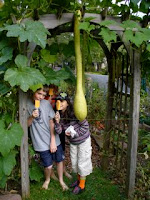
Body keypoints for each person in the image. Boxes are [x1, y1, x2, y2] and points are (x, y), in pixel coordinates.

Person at [27, 87, 68, 191]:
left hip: (53, 138)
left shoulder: (45, 103)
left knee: (59, 161)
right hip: (39, 141)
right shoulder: (26, 105)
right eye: (39, 93)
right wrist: (31, 117)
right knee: (48, 166)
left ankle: (61, 180)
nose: (41, 97)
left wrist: (53, 141)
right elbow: (26, 125)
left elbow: (51, 122)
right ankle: (47, 180)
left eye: (43, 94)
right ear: (33, 91)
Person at [54, 92, 93, 194]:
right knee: (75, 162)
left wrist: (74, 134)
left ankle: (82, 186)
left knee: (82, 162)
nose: (59, 103)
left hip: (83, 141)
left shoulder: (76, 112)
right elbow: (59, 131)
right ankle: (79, 180)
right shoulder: (60, 114)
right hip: (73, 142)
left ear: (67, 102)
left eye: (62, 101)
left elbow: (85, 127)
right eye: (57, 101)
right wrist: (57, 122)